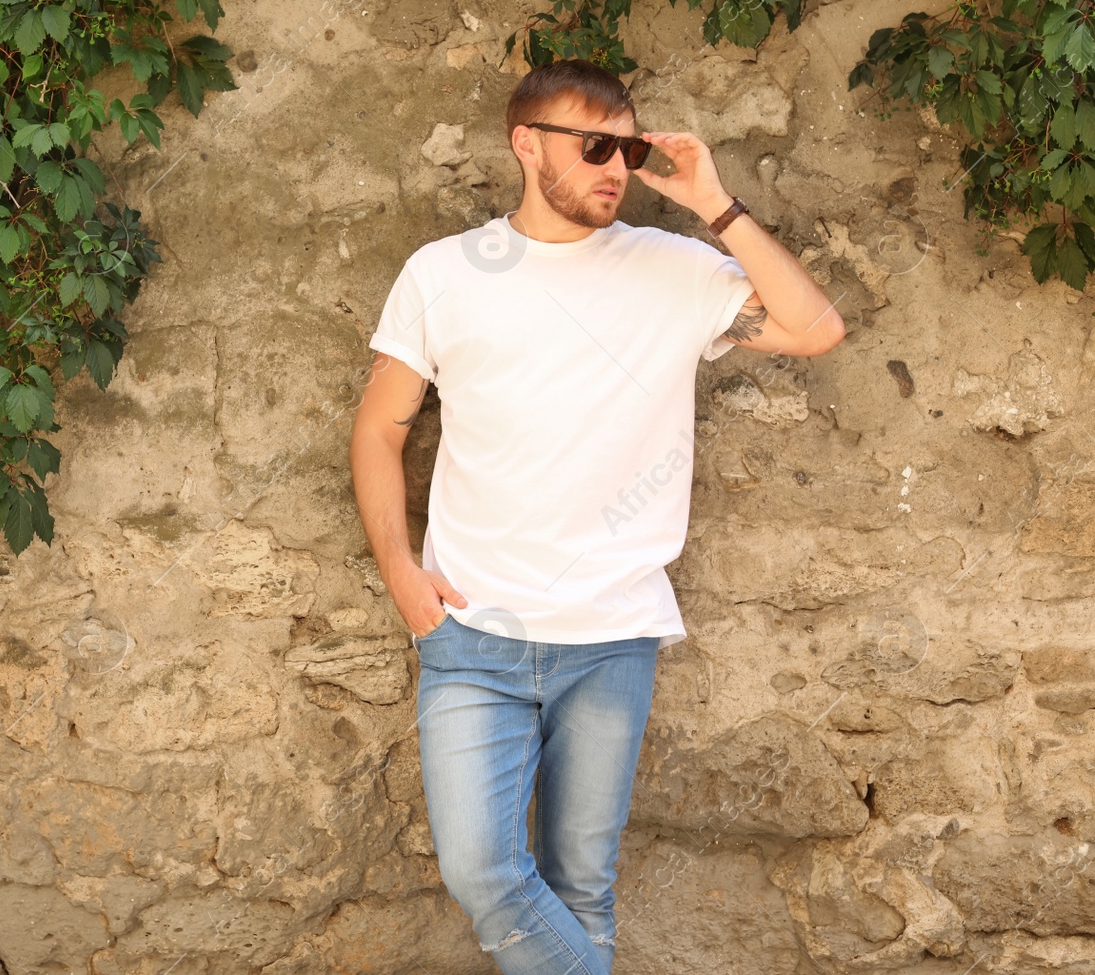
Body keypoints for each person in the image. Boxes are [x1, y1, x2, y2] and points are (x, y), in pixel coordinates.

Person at [347, 58, 844, 974]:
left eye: (627, 146)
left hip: (611, 635)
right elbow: (381, 428)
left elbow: (816, 329)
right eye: (594, 145)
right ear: (525, 144)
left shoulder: (677, 270)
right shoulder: (444, 273)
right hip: (471, 633)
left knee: (583, 882)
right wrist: (401, 576)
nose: (615, 165)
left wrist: (715, 202)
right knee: (481, 867)